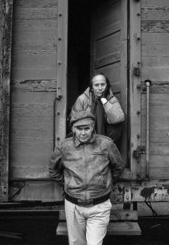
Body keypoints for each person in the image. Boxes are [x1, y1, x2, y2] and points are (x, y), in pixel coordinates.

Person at [49, 109, 125, 245]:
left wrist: (104, 182)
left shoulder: (106, 144)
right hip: (73, 206)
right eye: (79, 128)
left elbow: (118, 167)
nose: (83, 133)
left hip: (99, 205)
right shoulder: (64, 147)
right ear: (73, 128)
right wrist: (69, 184)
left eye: (86, 128)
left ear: (92, 127)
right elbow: (54, 170)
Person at [71, 73, 125, 144]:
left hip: (107, 137)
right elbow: (75, 121)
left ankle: (106, 145)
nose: (100, 88)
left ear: (107, 86)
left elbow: (117, 118)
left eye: (103, 85)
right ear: (92, 88)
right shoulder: (82, 99)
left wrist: (104, 100)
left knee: (116, 126)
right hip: (86, 136)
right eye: (96, 85)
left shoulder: (111, 99)